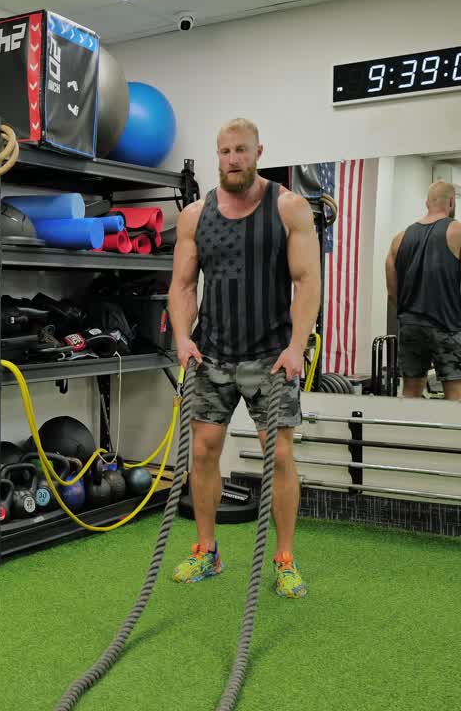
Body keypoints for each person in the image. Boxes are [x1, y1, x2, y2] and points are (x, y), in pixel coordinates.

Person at [166, 118, 321, 599]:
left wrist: (297, 345)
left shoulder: (288, 207)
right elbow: (183, 284)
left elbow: (307, 281)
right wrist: (182, 337)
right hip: (212, 352)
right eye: (224, 151)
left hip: (271, 356)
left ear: (258, 152)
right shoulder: (195, 216)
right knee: (204, 451)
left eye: (241, 150)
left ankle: (286, 559)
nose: (232, 159)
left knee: (278, 454)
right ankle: (207, 551)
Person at [384, 181, 461, 401]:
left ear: (426, 203)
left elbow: (392, 292)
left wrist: (410, 316)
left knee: (411, 392)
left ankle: (411, 434)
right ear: (452, 202)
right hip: (447, 326)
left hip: (410, 327)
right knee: (456, 395)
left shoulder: (399, 239)